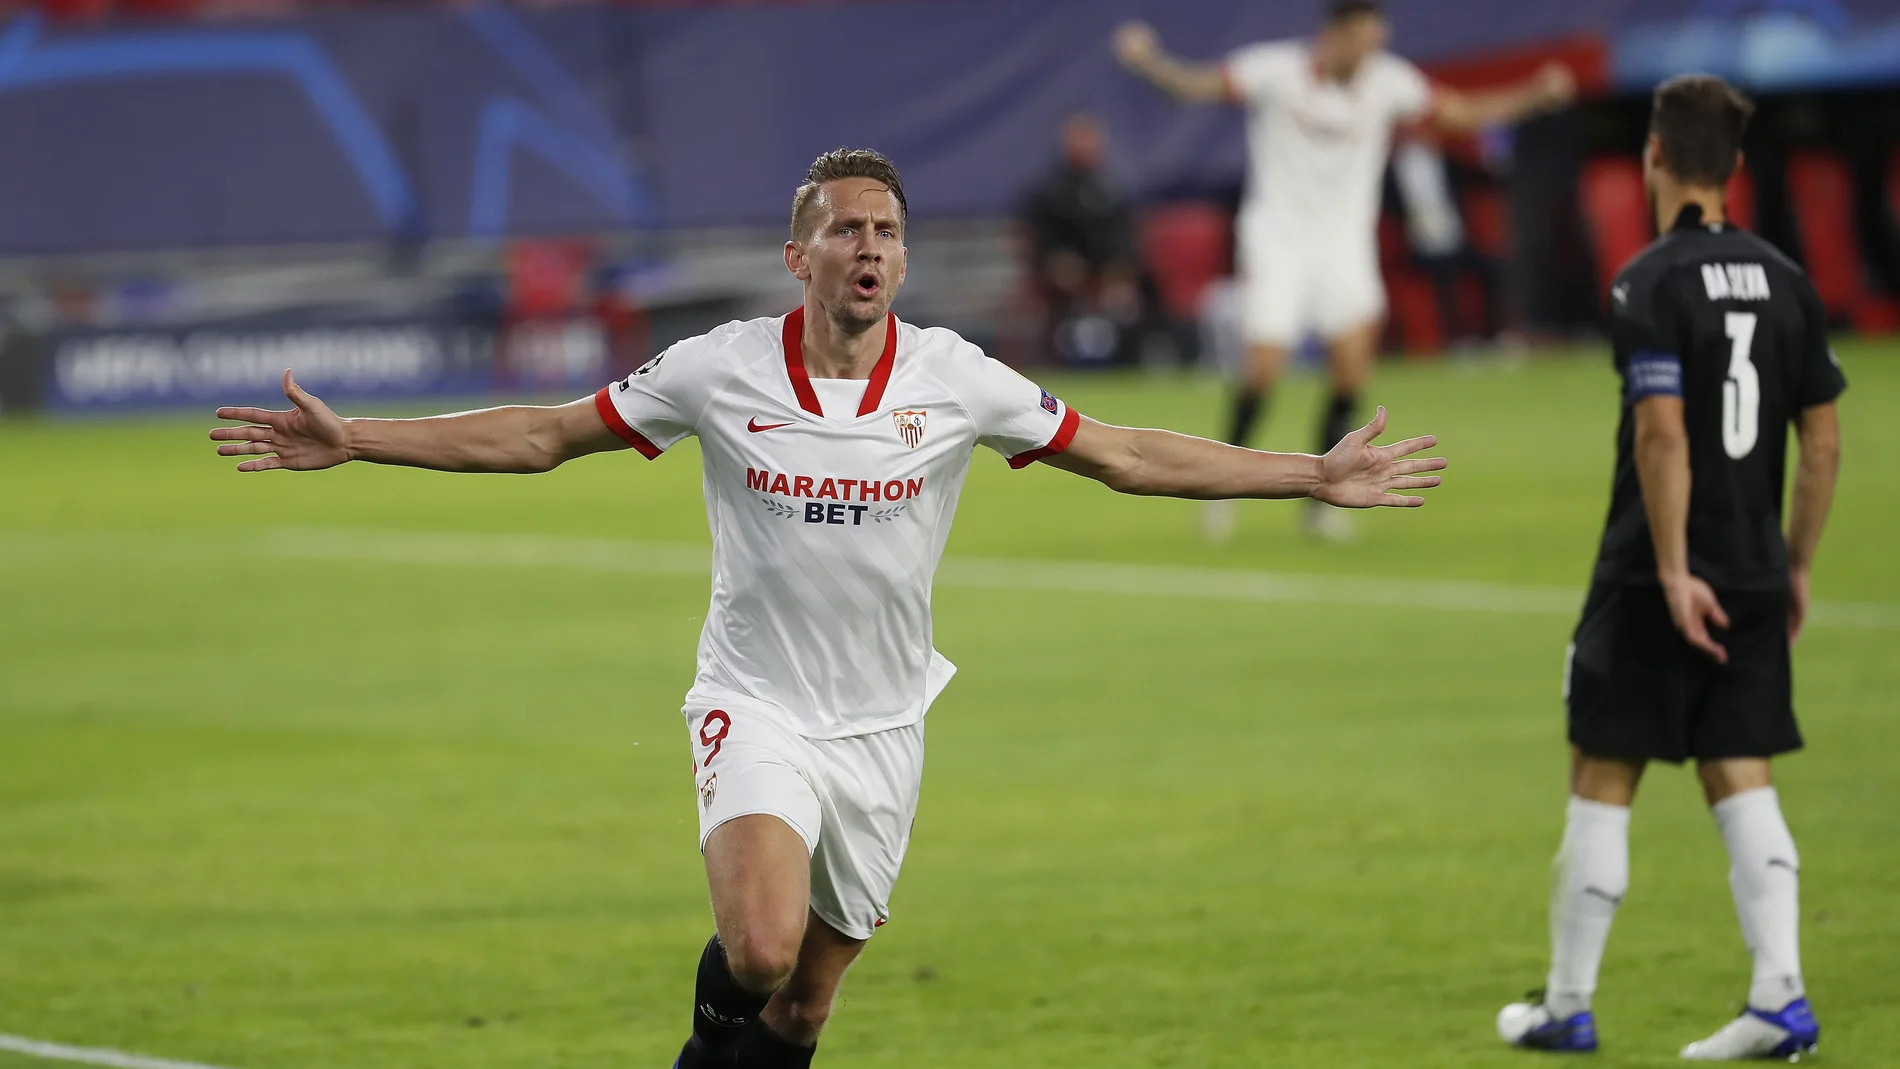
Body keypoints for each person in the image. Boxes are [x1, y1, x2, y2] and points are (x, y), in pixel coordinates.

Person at [209, 148, 1447, 1069]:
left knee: (802, 1005)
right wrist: (359, 439)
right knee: (755, 946)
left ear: (903, 257)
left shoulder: (957, 378)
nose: (868, 245)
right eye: (846, 227)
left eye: (887, 229)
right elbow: (542, 433)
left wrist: (1312, 471)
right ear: (796, 254)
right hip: (755, 704)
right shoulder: (718, 368)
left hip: (884, 726)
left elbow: (1122, 453)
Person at [1495, 75, 1844, 1059]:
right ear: (1733, 168)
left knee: (1603, 767)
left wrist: (1670, 564)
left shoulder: (1644, 280)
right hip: (1754, 568)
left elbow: (1660, 434)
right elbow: (1820, 443)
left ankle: (1567, 1004)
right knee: (1741, 769)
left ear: (1653, 156)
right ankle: (1780, 996)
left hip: (1655, 572)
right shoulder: (1789, 279)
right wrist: (1797, 566)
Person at [1113, 0, 1571, 542]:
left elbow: (1460, 113)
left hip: (1344, 245)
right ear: (1331, 35)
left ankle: (1321, 503)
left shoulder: (1389, 82)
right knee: (1263, 369)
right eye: (1360, 38)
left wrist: (1532, 96)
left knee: (1350, 370)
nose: (1369, 50)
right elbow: (1195, 86)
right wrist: (1148, 61)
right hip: (1277, 239)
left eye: (1376, 38)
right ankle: (1221, 493)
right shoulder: (1274, 71)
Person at [1022, 113, 1154, 366]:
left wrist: (1120, 268)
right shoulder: (1049, 189)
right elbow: (1042, 235)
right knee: (1065, 282)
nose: (1085, 146)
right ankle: (1060, 360)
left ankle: (1134, 359)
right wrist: (1058, 260)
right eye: (1078, 139)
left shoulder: (1112, 186)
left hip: (1105, 269)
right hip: (1064, 271)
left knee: (1137, 292)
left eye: (1090, 139)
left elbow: (1123, 233)